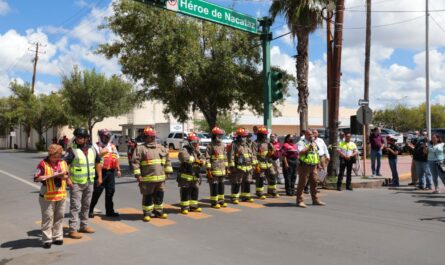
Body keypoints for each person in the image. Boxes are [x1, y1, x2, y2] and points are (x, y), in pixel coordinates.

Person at [64, 128, 102, 239]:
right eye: (77, 137)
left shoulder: (92, 149)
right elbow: (65, 164)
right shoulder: (72, 150)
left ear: (86, 138)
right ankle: (72, 229)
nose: (78, 139)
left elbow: (98, 163)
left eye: (81, 137)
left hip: (89, 182)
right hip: (76, 182)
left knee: (86, 205)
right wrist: (67, 178)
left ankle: (84, 226)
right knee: (75, 206)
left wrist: (99, 177)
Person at [131, 127, 173, 222]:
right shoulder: (140, 148)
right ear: (146, 137)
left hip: (161, 179)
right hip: (147, 179)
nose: (154, 138)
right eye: (151, 137)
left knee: (159, 195)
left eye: (154, 136)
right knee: (148, 196)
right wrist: (138, 175)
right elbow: (135, 162)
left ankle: (158, 212)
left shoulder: (161, 148)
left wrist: (168, 172)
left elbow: (168, 161)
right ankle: (147, 213)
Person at [34, 144, 70, 248]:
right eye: (55, 157)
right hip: (47, 196)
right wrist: (51, 176)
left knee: (59, 217)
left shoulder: (63, 163)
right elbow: (37, 178)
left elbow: (67, 175)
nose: (57, 159)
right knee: (48, 218)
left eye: (59, 156)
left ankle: (58, 237)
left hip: (61, 194)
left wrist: (64, 176)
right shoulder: (43, 164)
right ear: (50, 155)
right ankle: (46, 240)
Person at [89, 129, 122, 218]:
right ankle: (90, 210)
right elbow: (93, 159)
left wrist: (118, 169)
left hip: (111, 172)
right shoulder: (95, 146)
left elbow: (116, 158)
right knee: (97, 192)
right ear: (100, 136)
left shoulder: (112, 146)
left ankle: (110, 211)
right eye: (104, 136)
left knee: (110, 192)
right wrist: (101, 153)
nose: (106, 138)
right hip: (100, 172)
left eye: (108, 137)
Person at [296, 129, 326, 208]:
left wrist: (318, 164)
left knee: (314, 183)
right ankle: (300, 201)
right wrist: (309, 147)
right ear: (305, 135)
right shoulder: (301, 143)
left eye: (312, 134)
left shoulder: (314, 143)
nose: (311, 136)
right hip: (304, 166)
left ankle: (315, 200)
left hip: (314, 166)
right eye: (309, 134)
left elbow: (316, 154)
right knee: (302, 184)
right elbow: (300, 152)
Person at [177, 132, 204, 214]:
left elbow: (202, 157)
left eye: (197, 142)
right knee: (185, 191)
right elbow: (185, 158)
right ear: (189, 142)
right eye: (194, 143)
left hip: (195, 175)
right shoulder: (184, 150)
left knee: (195, 190)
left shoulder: (196, 150)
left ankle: (193, 207)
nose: (196, 144)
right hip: (186, 176)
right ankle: (184, 207)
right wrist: (196, 160)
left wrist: (203, 161)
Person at [228, 128, 255, 204]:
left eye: (245, 136)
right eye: (243, 136)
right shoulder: (234, 144)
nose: (245, 138)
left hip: (248, 167)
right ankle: (234, 197)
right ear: (239, 137)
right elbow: (231, 156)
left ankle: (246, 197)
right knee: (237, 182)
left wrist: (253, 164)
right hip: (238, 168)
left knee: (247, 182)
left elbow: (251, 155)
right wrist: (232, 167)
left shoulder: (247, 144)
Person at [205, 127, 228, 209]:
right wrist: (208, 170)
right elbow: (207, 158)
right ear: (214, 135)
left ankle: (221, 201)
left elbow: (225, 157)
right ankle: (214, 202)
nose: (220, 137)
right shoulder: (210, 145)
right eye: (218, 135)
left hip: (222, 169)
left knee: (221, 185)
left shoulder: (222, 145)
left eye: (221, 135)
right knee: (214, 185)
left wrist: (226, 167)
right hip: (214, 169)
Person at [253, 126, 278, 199]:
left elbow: (273, 151)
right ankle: (259, 193)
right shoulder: (255, 143)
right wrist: (256, 164)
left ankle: (272, 191)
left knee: (272, 175)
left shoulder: (268, 142)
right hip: (260, 164)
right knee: (260, 178)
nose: (265, 136)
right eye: (263, 135)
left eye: (265, 134)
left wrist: (272, 151)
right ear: (259, 135)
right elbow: (253, 154)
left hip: (268, 163)